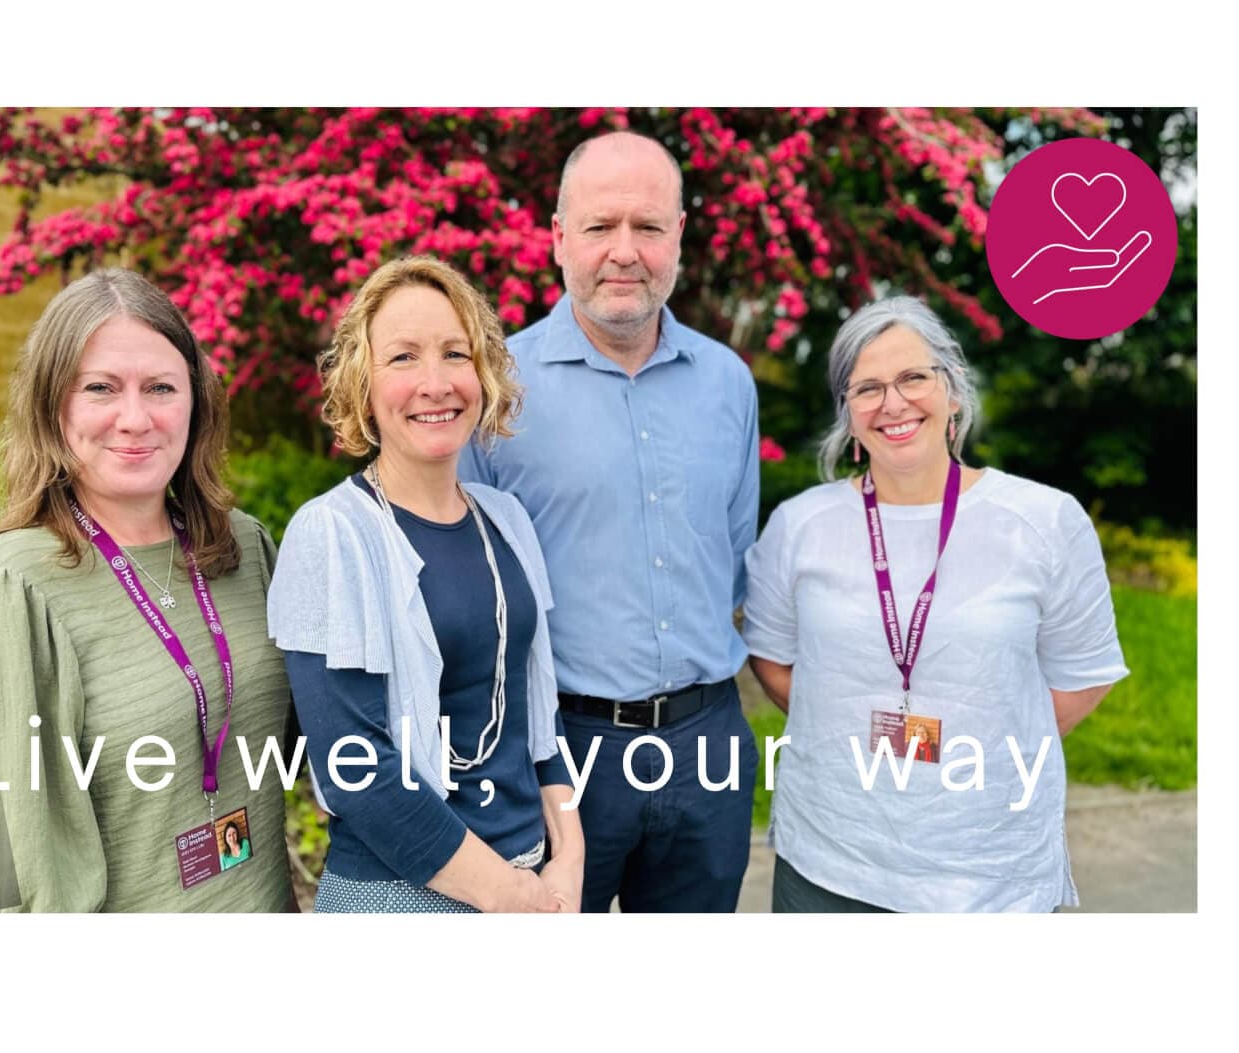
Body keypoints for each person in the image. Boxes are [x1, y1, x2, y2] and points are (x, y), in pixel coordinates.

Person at [0, 268, 293, 913]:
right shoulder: (11, 587)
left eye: (161, 388)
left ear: (195, 403)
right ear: (52, 408)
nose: (135, 418)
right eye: (100, 388)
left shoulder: (244, 548)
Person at [743, 295, 1127, 913]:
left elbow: (1082, 677)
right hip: (829, 861)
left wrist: (986, 732)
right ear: (848, 414)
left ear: (953, 392)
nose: (893, 403)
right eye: (867, 387)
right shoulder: (799, 526)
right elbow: (773, 659)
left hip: (987, 871)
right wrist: (844, 724)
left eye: (913, 377)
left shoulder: (1044, 521)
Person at [459, 131, 760, 912]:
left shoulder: (728, 383)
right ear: (559, 237)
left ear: (679, 237)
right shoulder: (495, 391)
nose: (624, 251)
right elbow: (467, 584)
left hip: (707, 745)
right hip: (559, 749)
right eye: (600, 227)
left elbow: (731, 556)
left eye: (648, 227)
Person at [269, 257, 582, 913]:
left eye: (455, 354)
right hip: (403, 894)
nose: (434, 383)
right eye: (403, 357)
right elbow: (356, 771)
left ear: (484, 373)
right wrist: (507, 894)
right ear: (363, 382)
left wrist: (571, 854)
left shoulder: (508, 521)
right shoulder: (330, 534)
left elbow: (537, 713)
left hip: (532, 879)